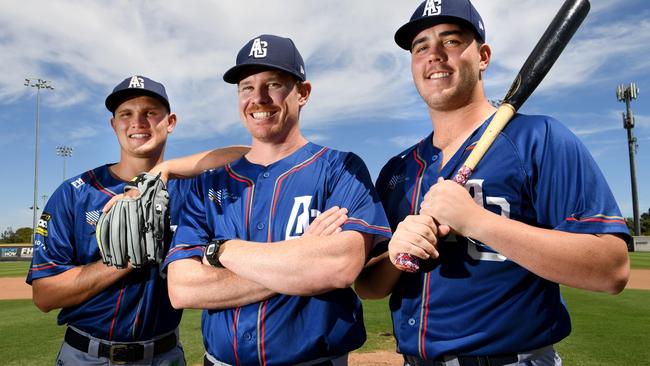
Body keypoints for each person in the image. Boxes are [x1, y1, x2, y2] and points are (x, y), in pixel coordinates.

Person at [354, 1, 631, 365]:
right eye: (421, 47)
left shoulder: (538, 138)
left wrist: (478, 222)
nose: (434, 55)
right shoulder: (398, 170)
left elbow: (611, 268)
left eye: (451, 41)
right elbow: (369, 287)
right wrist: (396, 255)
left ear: (483, 56)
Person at [162, 34, 391, 366]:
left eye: (274, 84)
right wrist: (300, 262)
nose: (259, 98)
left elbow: (339, 266)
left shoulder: (340, 168)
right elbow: (183, 288)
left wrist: (222, 251)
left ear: (303, 93)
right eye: (247, 87)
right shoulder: (208, 183)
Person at [26, 75, 245, 365]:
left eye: (150, 113)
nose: (137, 123)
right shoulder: (75, 193)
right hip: (86, 356)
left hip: (164, 355)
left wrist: (162, 172)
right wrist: (125, 259)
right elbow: (44, 296)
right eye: (126, 114)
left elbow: (252, 156)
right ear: (113, 124)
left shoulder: (189, 189)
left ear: (171, 122)